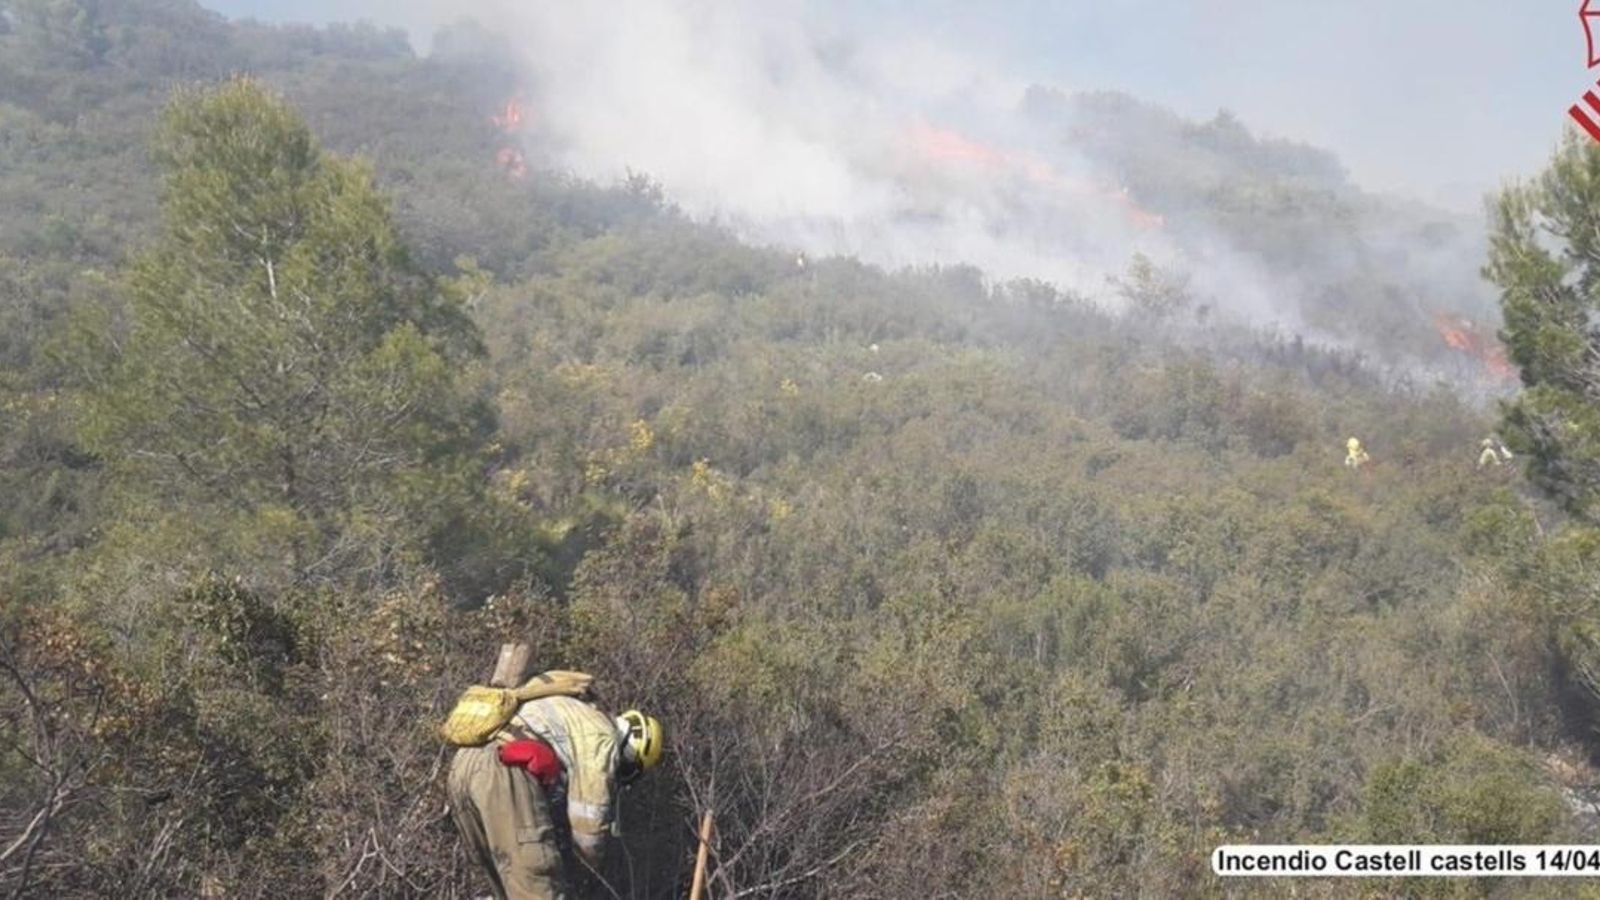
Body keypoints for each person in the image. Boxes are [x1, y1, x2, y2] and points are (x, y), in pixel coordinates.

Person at [448, 683, 664, 900]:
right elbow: (588, 822)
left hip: (462, 766)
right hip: (505, 770)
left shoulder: (577, 711)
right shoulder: (603, 738)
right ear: (630, 751)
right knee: (537, 883)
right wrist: (584, 871)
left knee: (500, 884)